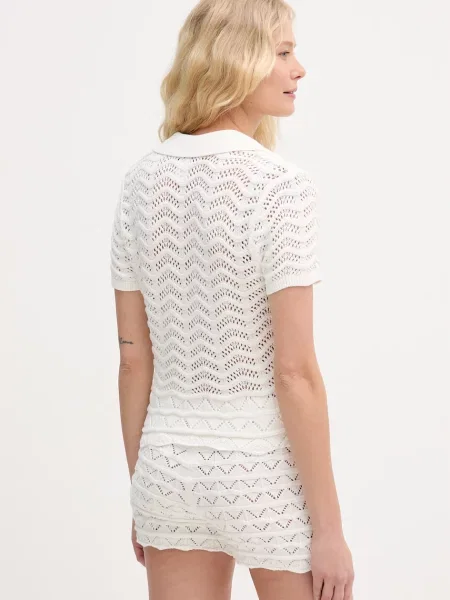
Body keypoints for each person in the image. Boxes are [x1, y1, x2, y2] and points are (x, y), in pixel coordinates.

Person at [110, 0, 355, 598]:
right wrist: (329, 531)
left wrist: (144, 492)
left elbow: (133, 361)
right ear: (236, 60)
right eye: (283, 52)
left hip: (167, 470)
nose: (299, 68)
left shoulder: (140, 183)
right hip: (262, 470)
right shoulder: (280, 187)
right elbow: (295, 373)